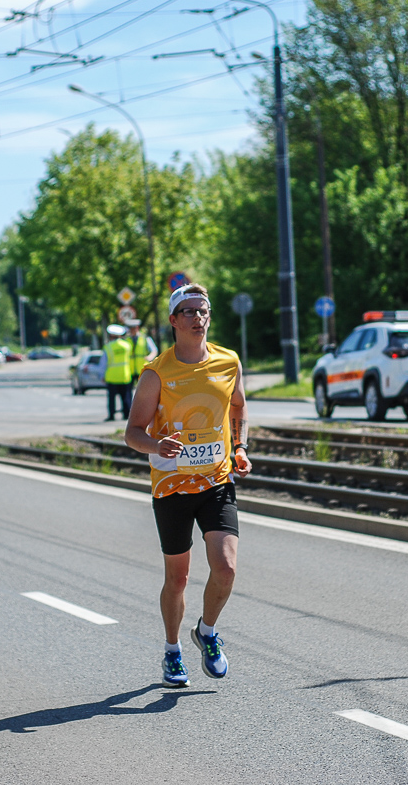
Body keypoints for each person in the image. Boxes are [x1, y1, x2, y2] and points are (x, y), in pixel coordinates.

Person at [124, 284, 251, 687]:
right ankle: (172, 650)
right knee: (177, 578)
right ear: (174, 320)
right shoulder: (157, 372)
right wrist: (155, 443)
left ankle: (207, 632)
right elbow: (132, 432)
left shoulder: (228, 361)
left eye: (204, 311)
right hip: (172, 487)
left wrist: (242, 446)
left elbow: (239, 408)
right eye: (191, 312)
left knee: (226, 568)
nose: (199, 318)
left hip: (216, 481)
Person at [103, 324, 134, 421]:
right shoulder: (127, 346)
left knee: (111, 398)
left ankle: (111, 415)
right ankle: (126, 414)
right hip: (125, 375)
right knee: (125, 397)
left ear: (111, 335)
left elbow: (103, 362)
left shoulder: (108, 347)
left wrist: (102, 375)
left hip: (112, 376)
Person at [124, 318, 158, 385]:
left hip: (142, 369)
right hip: (129, 370)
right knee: (128, 392)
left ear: (137, 328)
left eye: (133, 328)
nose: (132, 330)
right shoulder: (126, 340)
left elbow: (154, 350)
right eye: (130, 329)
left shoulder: (145, 338)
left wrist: (149, 357)